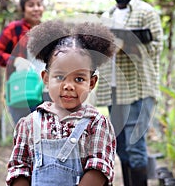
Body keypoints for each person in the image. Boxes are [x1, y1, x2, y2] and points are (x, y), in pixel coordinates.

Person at [6, 20, 117, 186]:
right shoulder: (29, 124)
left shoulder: (97, 124)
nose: (68, 86)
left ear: (92, 83)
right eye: (59, 77)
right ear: (45, 79)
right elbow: (19, 168)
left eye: (79, 79)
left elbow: (99, 168)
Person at [96, 0, 163, 185]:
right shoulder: (106, 16)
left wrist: (128, 45)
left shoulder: (146, 12)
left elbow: (156, 48)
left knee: (135, 146)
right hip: (114, 92)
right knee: (121, 146)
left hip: (138, 90)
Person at [0, 0, 45, 124]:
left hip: (44, 90)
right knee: (24, 133)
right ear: (23, 9)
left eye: (39, 4)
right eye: (31, 5)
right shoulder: (14, 29)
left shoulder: (46, 30)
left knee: (44, 134)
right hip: (20, 89)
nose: (36, 8)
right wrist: (15, 61)